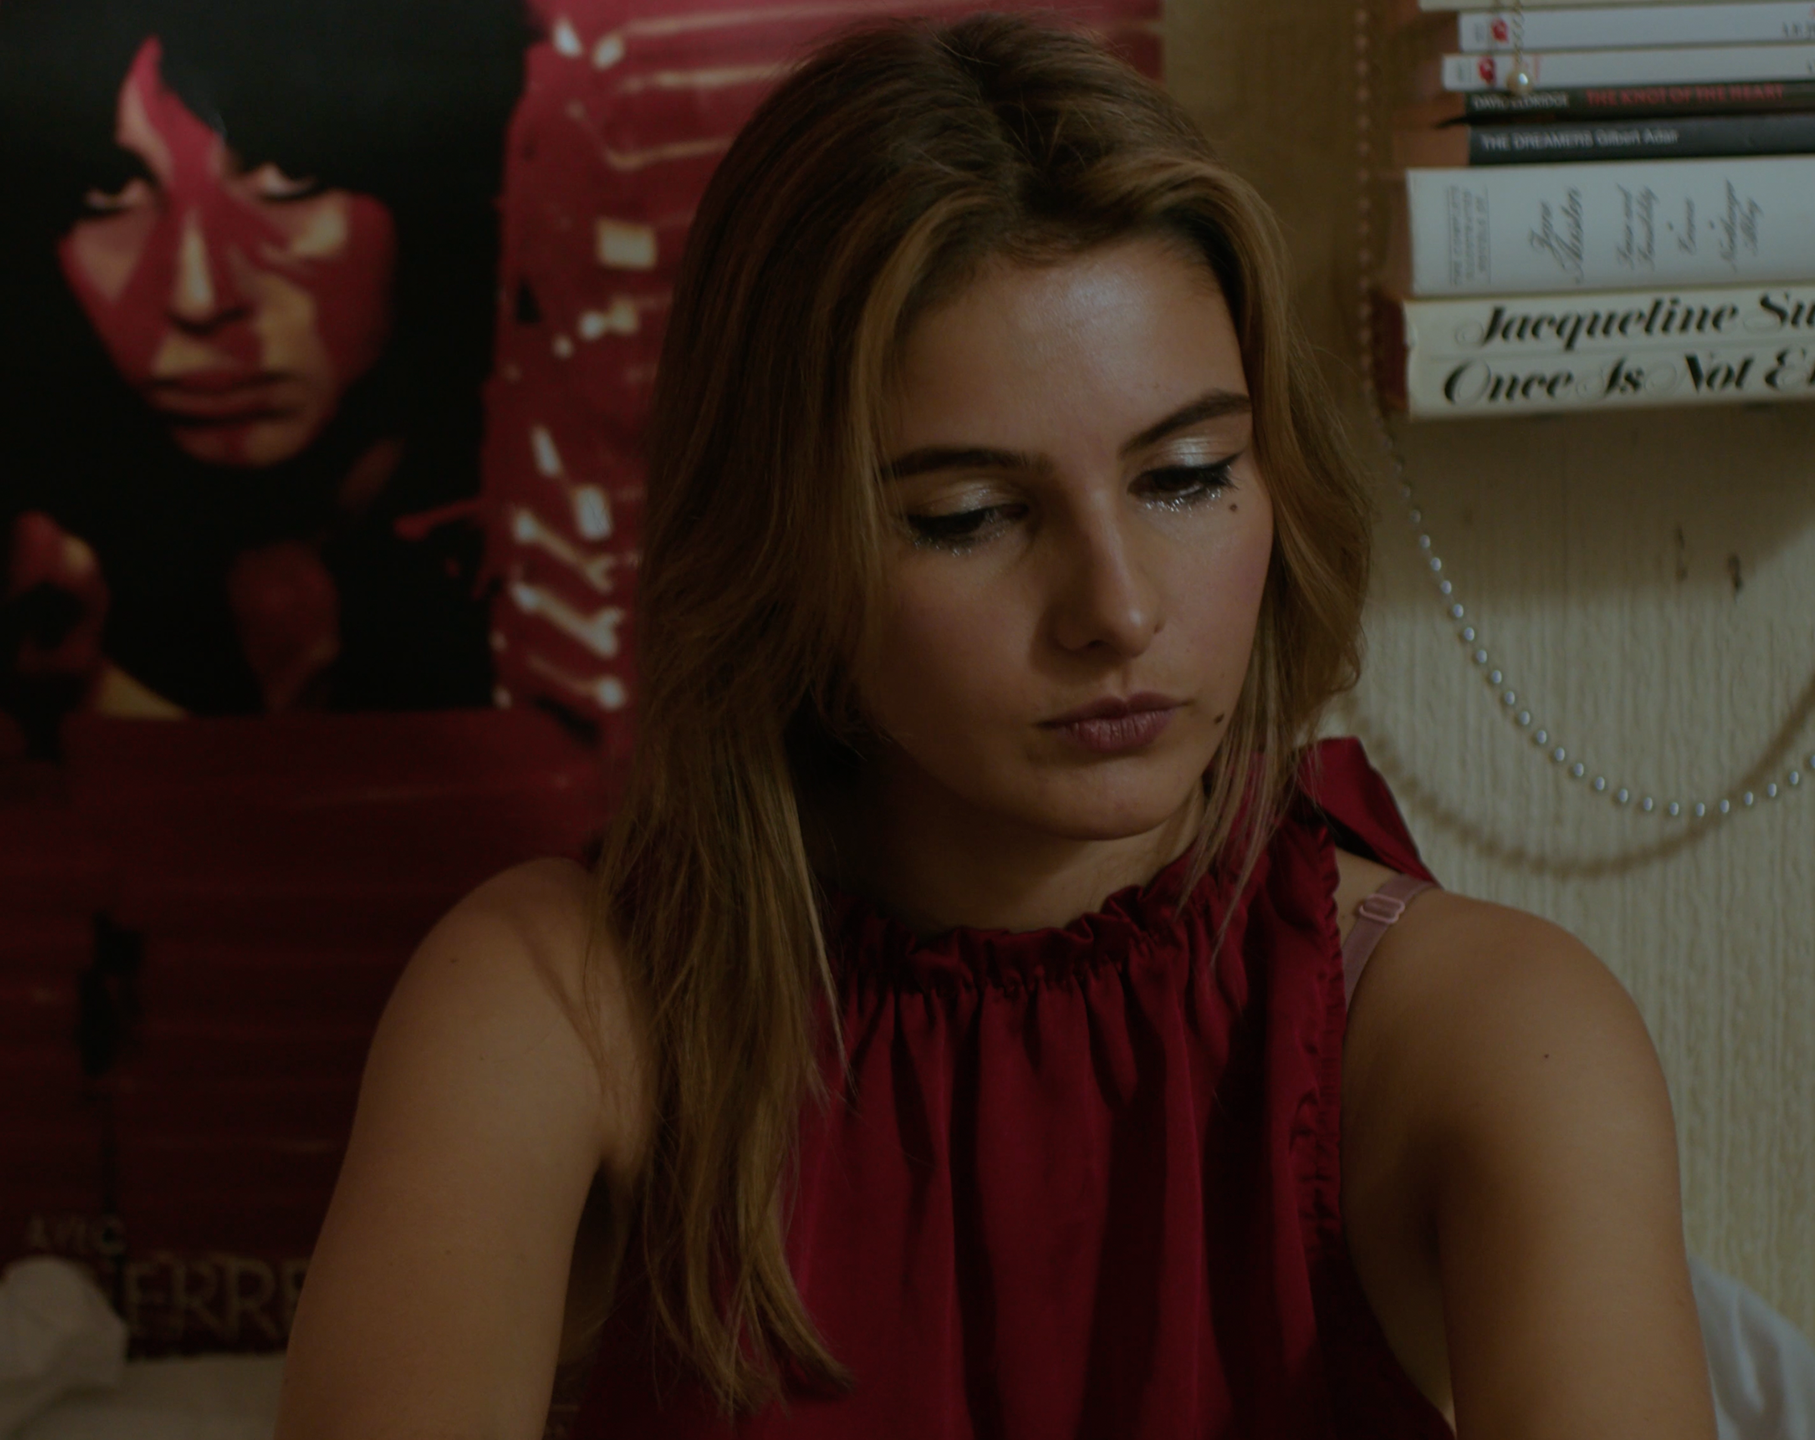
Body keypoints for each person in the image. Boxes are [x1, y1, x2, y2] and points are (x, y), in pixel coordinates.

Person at [275, 14, 1720, 1439]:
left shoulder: (1486, 1033)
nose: (1117, 608)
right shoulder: (547, 1010)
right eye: (967, 516)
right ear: (783, 546)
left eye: (1187, 475)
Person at [0, 0, 534, 790]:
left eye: (286, 177)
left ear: (432, 199)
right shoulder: (7, 540)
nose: (196, 296)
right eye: (107, 190)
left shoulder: (556, 551)